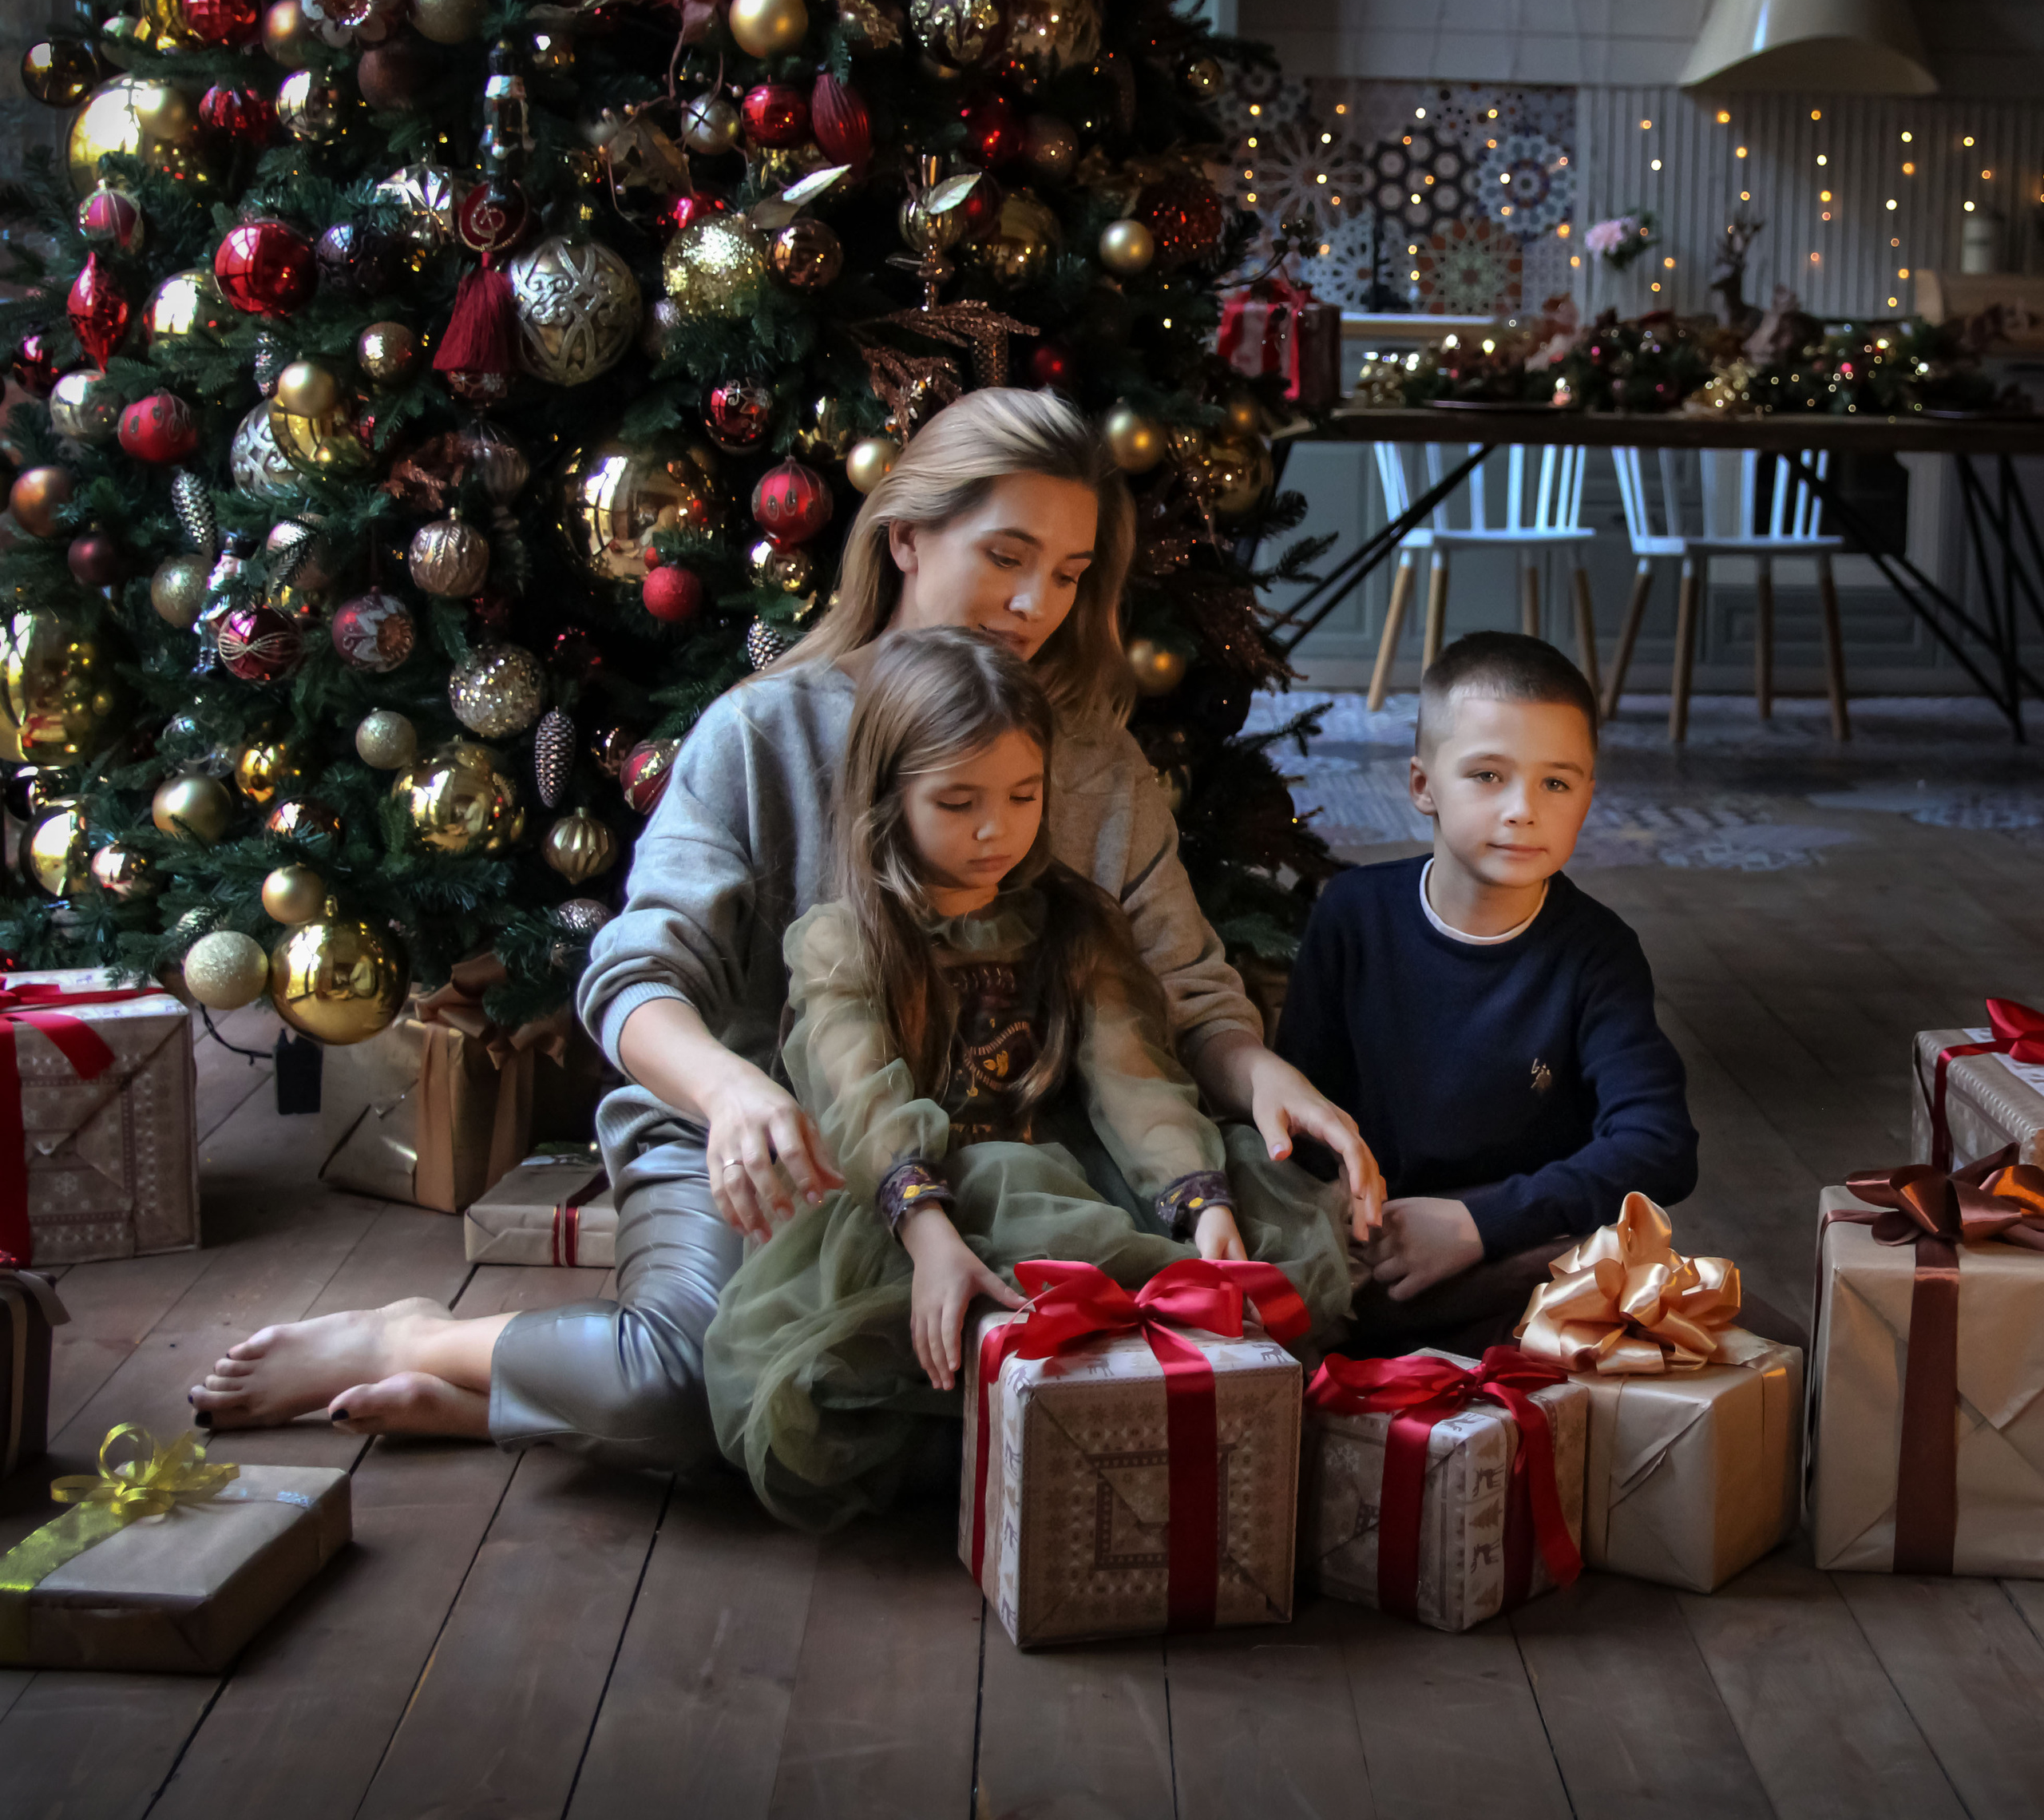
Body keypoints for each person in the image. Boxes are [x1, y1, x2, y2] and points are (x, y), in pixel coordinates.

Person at [190, 388, 1384, 1461]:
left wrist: (1262, 1071)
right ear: (906, 538)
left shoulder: (1093, 764)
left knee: (1129, 1352)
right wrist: (732, 1094)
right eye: (1006, 556)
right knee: (701, 1388)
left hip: (1003, 1133)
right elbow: (637, 977)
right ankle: (433, 1341)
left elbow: (1179, 987)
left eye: (1069, 574)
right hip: (766, 1134)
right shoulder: (768, 732)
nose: (1033, 604)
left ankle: (529, 1402)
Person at [705, 630, 1352, 1531]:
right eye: (957, 801)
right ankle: (996, 1456)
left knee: (1250, 1263)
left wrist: (1198, 1203)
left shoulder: (1074, 922)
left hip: (1068, 1173)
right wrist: (927, 1232)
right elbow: (860, 1100)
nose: (993, 829)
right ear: (889, 796)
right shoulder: (845, 939)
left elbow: (1132, 1077)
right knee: (837, 1378)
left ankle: (1111, 1440)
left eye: (1021, 796)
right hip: (915, 1201)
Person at [1275, 631, 1699, 1356]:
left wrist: (1479, 1226)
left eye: (1556, 783)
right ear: (1422, 787)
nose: (1522, 809)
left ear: (1587, 798)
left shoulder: (1597, 951)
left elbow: (1659, 1146)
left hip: (1522, 1252)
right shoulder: (1354, 914)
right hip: (1374, 1252)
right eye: (1487, 776)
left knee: (1690, 1309)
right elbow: (1303, 1108)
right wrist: (1360, 1224)